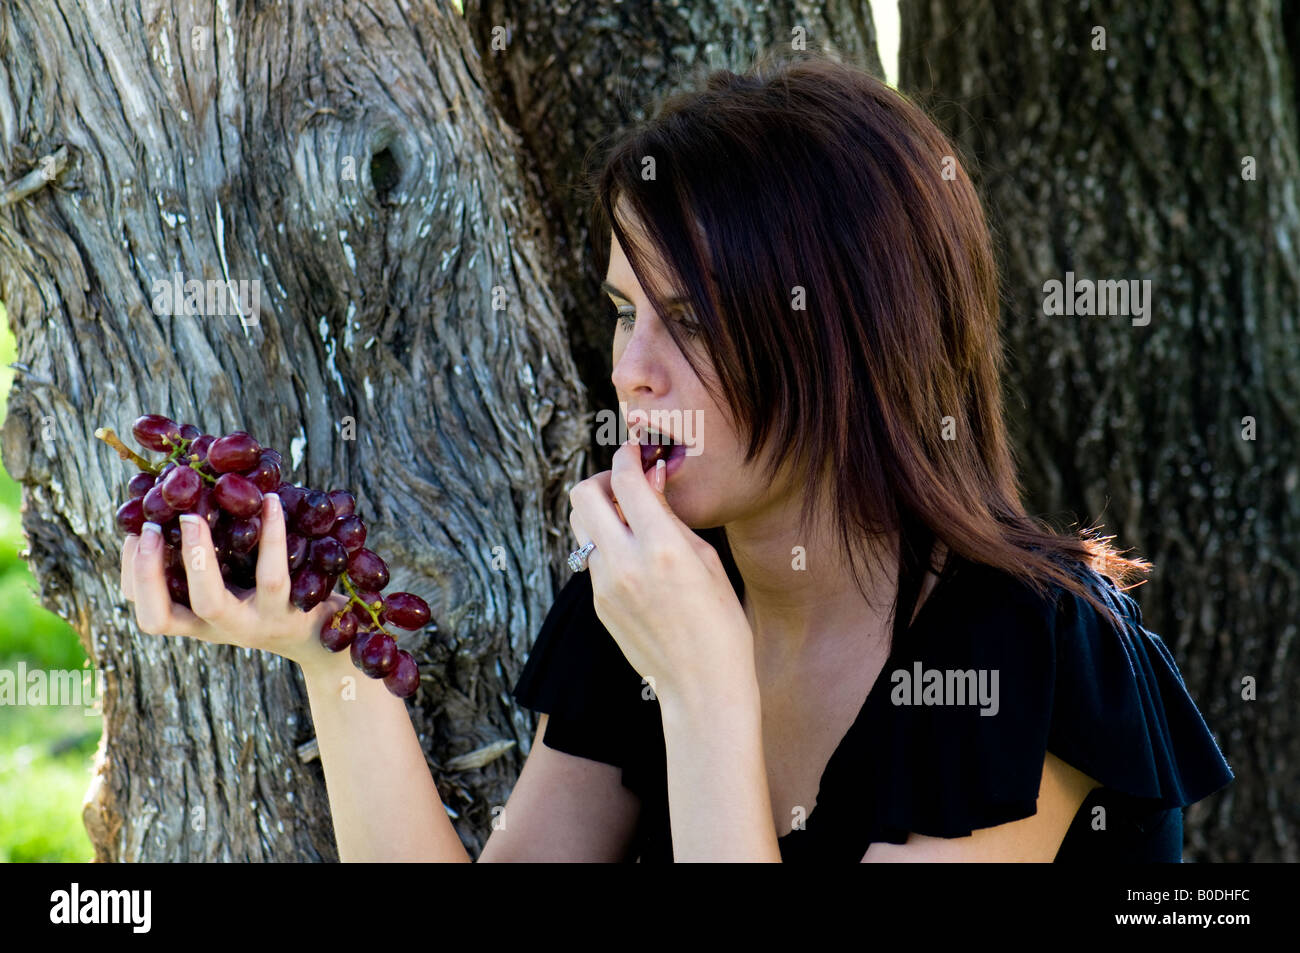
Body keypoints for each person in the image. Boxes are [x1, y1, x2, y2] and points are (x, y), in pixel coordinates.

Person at [119, 50, 1233, 862]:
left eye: (690, 322)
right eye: (622, 312)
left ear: (847, 336)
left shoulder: (1022, 646)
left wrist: (703, 686)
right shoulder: (651, 601)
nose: (632, 370)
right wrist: (337, 663)